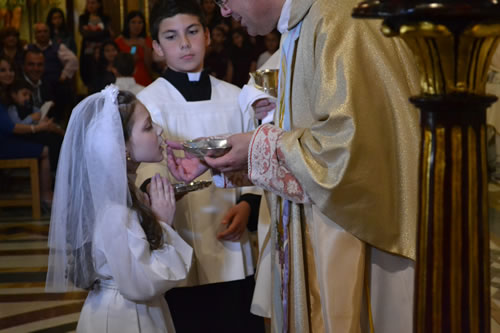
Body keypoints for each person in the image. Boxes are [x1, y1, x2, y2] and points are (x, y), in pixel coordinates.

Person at [167, 0, 421, 331]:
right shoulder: (301, 25)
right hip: (323, 226)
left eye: (224, 0)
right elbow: (304, 137)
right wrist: (233, 155)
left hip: (359, 238)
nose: (224, 13)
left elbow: (351, 154)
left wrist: (256, 146)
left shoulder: (339, 19)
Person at [135, 0, 265, 331]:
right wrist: (158, 191)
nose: (184, 43)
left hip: (232, 237)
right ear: (157, 48)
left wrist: (250, 205)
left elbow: (257, 157)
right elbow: (144, 172)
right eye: (171, 36)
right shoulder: (148, 102)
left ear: (207, 36)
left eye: (192, 32)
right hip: (180, 233)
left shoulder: (237, 97)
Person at [45, 86, 193, 332]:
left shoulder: (125, 191)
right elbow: (141, 284)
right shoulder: (115, 210)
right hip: (124, 316)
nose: (159, 130)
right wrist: (163, 224)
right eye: (147, 127)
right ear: (121, 146)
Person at [26, 23, 78, 123]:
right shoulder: (28, 48)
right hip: (33, 86)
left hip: (54, 86)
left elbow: (73, 61)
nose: (42, 34)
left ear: (49, 33)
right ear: (35, 34)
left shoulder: (58, 47)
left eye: (45, 31)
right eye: (39, 32)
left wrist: (64, 75)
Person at [79, 0, 113, 89]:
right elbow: (85, 34)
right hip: (87, 56)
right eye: (88, 3)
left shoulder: (105, 18)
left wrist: (90, 31)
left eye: (93, 3)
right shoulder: (83, 18)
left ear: (99, 4)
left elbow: (108, 34)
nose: (90, 5)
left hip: (103, 55)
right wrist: (103, 32)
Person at [115, 10, 154, 86]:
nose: (137, 25)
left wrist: (145, 47)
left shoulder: (147, 41)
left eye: (140, 22)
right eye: (133, 22)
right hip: (125, 82)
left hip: (144, 79)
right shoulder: (119, 41)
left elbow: (149, 65)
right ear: (127, 24)